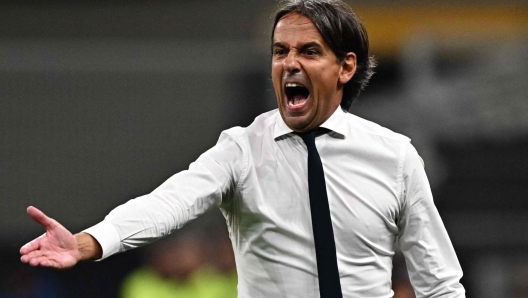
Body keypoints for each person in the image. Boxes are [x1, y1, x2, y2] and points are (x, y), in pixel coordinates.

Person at [20, 0, 466, 297]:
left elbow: (440, 282)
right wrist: (89, 242)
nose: (289, 63)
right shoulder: (240, 150)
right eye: (279, 51)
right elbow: (169, 203)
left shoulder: (396, 157)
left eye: (309, 51)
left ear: (346, 66)